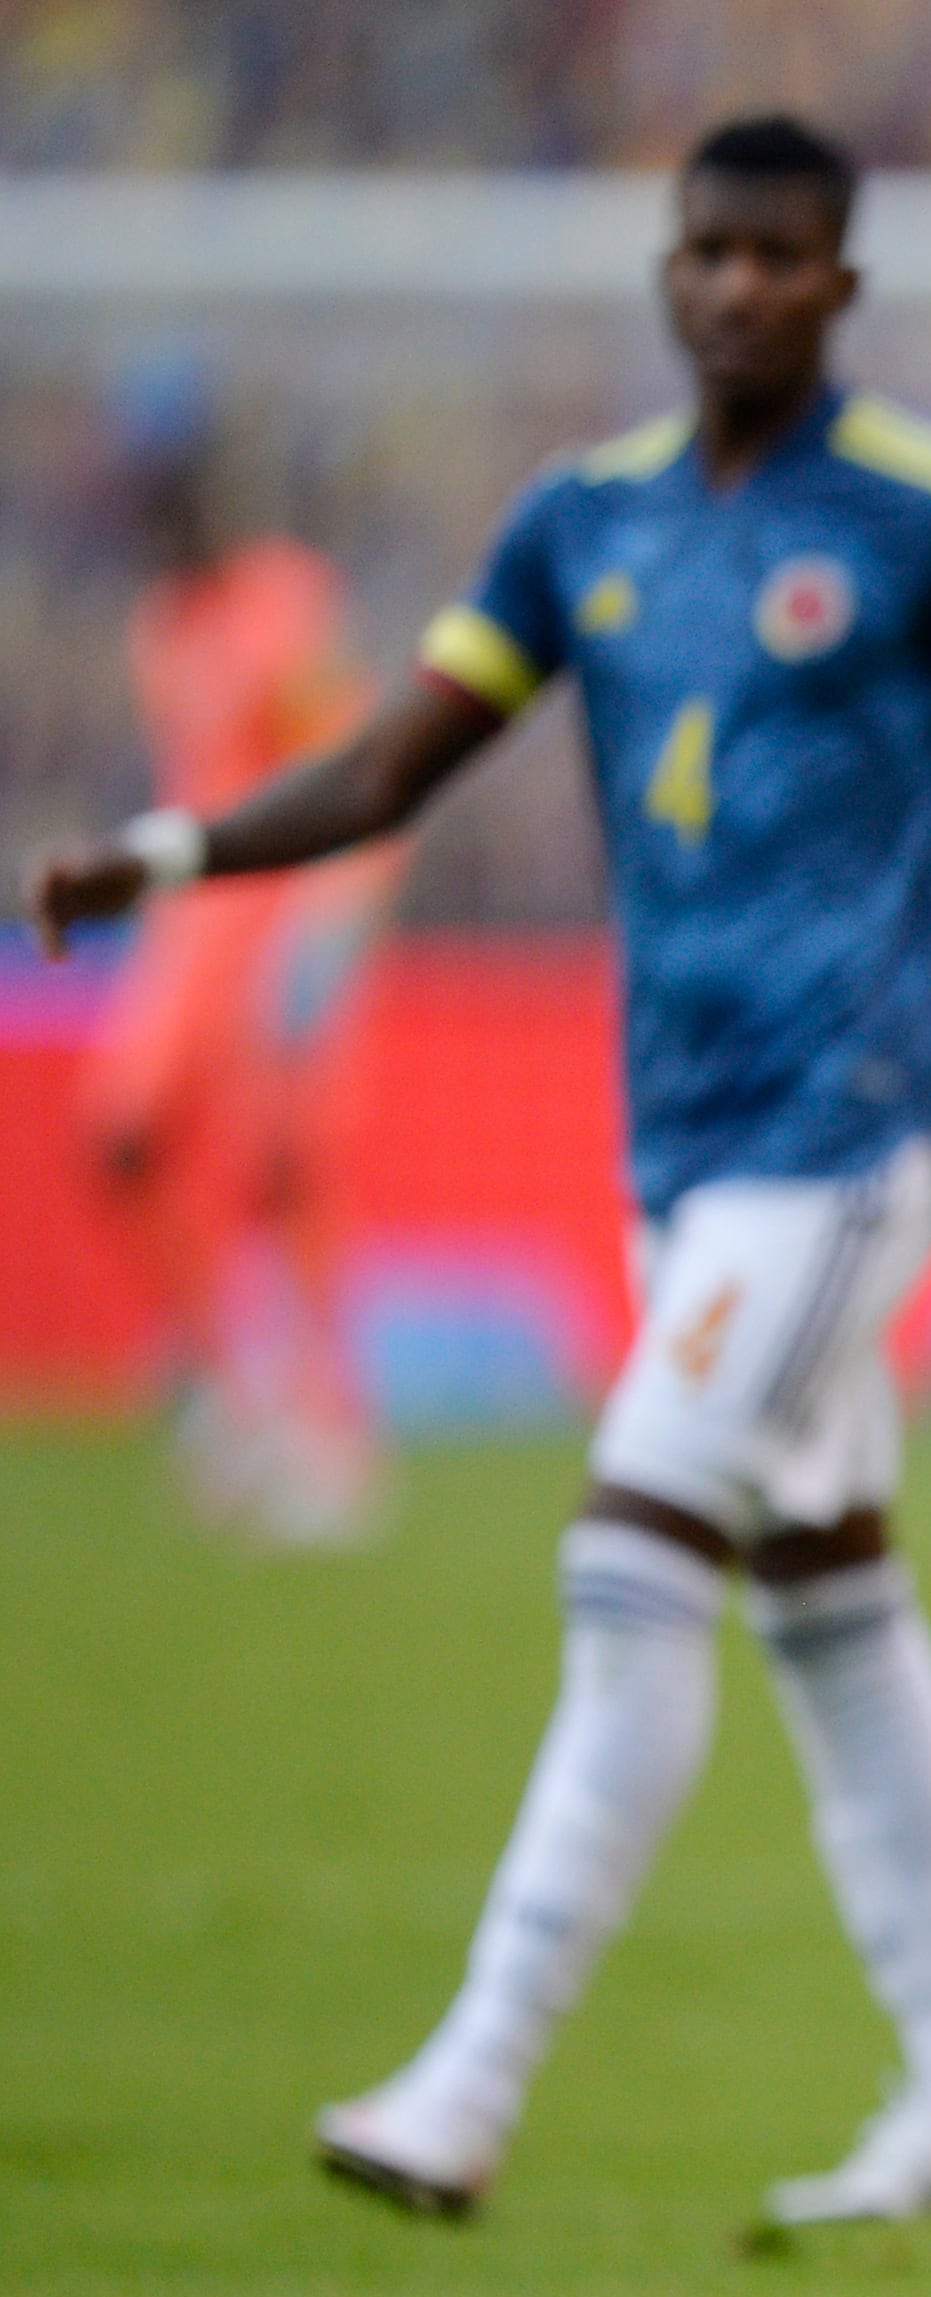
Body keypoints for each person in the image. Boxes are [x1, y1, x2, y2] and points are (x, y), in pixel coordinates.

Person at [24, 115, 931, 2226]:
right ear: (670, 267)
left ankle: (470, 2071)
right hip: (681, 1148)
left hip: (846, 1136)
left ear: (841, 286)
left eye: (779, 256)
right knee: (832, 1598)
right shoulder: (580, 522)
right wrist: (166, 853)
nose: (735, 287)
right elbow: (382, 766)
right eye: (707, 251)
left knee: (629, 1553)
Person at [73, 350, 403, 1548]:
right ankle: (229, 1389)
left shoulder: (284, 598)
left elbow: (356, 772)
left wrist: (329, 930)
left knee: (286, 1164)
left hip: (281, 907)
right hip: (190, 922)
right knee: (118, 1134)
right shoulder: (163, 624)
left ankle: (330, 1420)